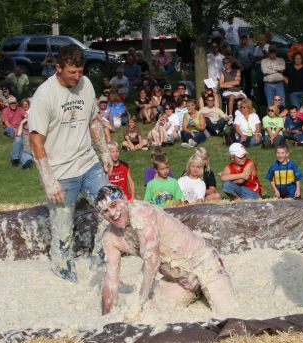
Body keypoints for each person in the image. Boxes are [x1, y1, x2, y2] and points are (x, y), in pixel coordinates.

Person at [29, 44, 113, 282]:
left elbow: (94, 121)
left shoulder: (86, 85)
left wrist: (104, 153)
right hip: (60, 169)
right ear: (58, 68)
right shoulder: (44, 95)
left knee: (112, 206)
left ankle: (102, 256)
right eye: (71, 73)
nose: (77, 77)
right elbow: (36, 140)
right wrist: (49, 180)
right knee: (63, 227)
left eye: (80, 71)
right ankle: (62, 264)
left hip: (87, 162)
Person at [96, 185, 235, 316]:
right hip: (178, 280)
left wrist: (137, 303)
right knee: (158, 308)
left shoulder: (141, 213)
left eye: (114, 205)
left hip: (204, 264)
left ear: (125, 199)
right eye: (105, 211)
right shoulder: (110, 237)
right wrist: (107, 316)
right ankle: (197, 294)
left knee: (226, 312)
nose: (113, 214)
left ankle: (210, 286)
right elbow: (111, 280)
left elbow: (152, 261)